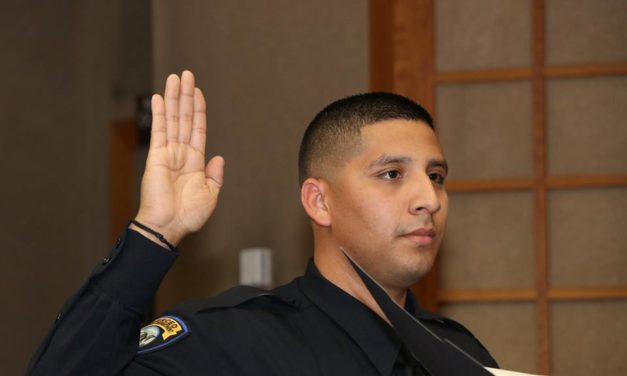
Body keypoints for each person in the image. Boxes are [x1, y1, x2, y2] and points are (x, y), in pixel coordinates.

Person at [27, 71, 498, 375]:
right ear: (319, 201)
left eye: (436, 177)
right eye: (392, 174)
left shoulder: (460, 355)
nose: (428, 199)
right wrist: (154, 233)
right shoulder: (230, 344)